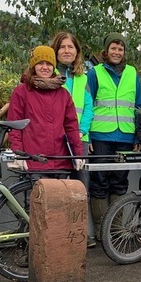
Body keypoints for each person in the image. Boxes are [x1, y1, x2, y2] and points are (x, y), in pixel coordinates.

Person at [86, 33, 141, 239]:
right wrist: (87, 135)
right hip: (100, 136)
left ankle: (115, 230)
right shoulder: (94, 73)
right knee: (99, 182)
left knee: (119, 182)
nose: (117, 52)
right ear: (106, 50)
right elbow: (87, 104)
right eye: (113, 48)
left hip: (126, 137)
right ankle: (102, 231)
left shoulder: (132, 73)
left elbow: (139, 106)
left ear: (124, 52)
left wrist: (138, 136)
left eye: (120, 49)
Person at [6, 45, 84, 179]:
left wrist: (77, 153)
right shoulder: (22, 92)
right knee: (36, 193)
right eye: (40, 63)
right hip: (33, 161)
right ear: (33, 66)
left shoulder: (63, 94)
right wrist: (18, 153)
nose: (45, 67)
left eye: (49, 64)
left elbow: (71, 127)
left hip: (60, 161)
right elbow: (14, 126)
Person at [50, 30, 96, 248]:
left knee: (80, 187)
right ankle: (56, 234)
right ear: (55, 50)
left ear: (77, 52)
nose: (67, 51)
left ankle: (80, 235)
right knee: (56, 187)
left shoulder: (82, 78)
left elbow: (88, 108)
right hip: (55, 139)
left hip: (79, 139)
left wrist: (81, 131)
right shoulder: (48, 73)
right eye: (62, 47)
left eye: (71, 47)